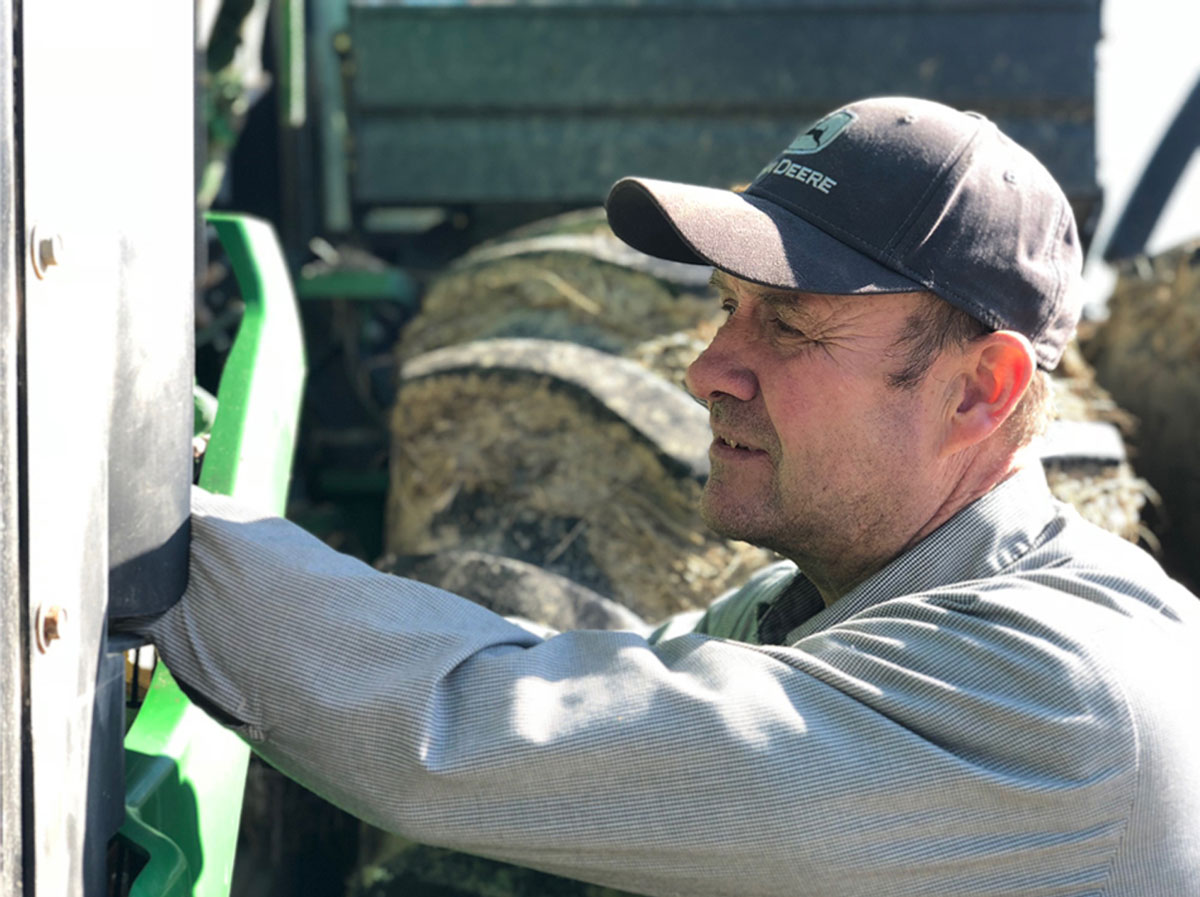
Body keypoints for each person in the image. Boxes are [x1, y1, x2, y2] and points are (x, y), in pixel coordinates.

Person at [141, 97, 1200, 895]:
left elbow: (495, 735)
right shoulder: (832, 607)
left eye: (789, 324)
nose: (707, 369)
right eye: (728, 307)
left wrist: (145, 522)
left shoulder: (1052, 691)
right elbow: (583, 682)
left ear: (980, 388)